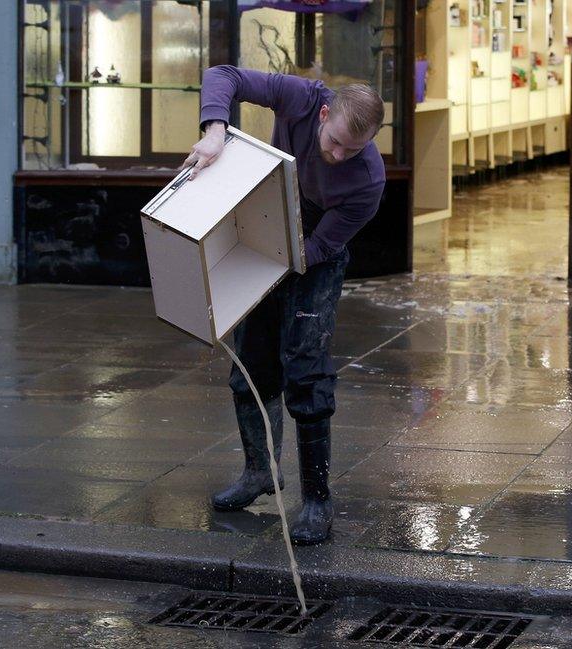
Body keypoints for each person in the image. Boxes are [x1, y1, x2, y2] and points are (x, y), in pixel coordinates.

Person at [180, 65, 386, 545]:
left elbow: (319, 249)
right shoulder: (299, 96)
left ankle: (317, 501)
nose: (337, 155)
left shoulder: (367, 180)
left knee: (305, 368)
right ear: (324, 112)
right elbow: (223, 75)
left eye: (351, 150)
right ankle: (259, 473)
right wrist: (214, 132)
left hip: (316, 254)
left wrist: (283, 261)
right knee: (249, 362)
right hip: (269, 221)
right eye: (333, 140)